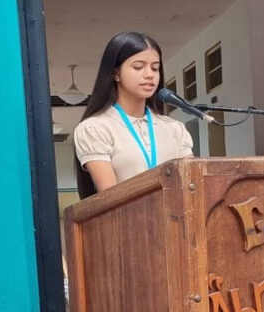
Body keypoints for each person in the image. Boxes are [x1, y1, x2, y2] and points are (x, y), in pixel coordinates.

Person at [73, 32, 194, 199]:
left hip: (176, 221)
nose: (149, 75)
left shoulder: (174, 129)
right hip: (127, 222)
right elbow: (110, 198)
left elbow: (191, 185)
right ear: (115, 73)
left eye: (155, 68)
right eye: (138, 67)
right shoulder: (95, 128)